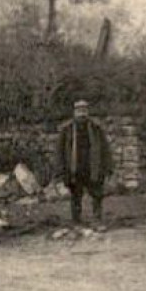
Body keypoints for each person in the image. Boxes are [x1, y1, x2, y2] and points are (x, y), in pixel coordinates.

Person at [55, 99, 113, 231]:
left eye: (84, 110)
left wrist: (108, 167)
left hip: (93, 166)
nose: (82, 114)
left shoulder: (96, 128)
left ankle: (97, 220)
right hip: (74, 168)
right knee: (76, 196)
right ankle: (76, 221)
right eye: (79, 111)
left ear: (88, 112)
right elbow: (60, 152)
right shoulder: (67, 129)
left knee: (97, 194)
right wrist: (60, 171)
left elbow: (105, 148)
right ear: (74, 112)